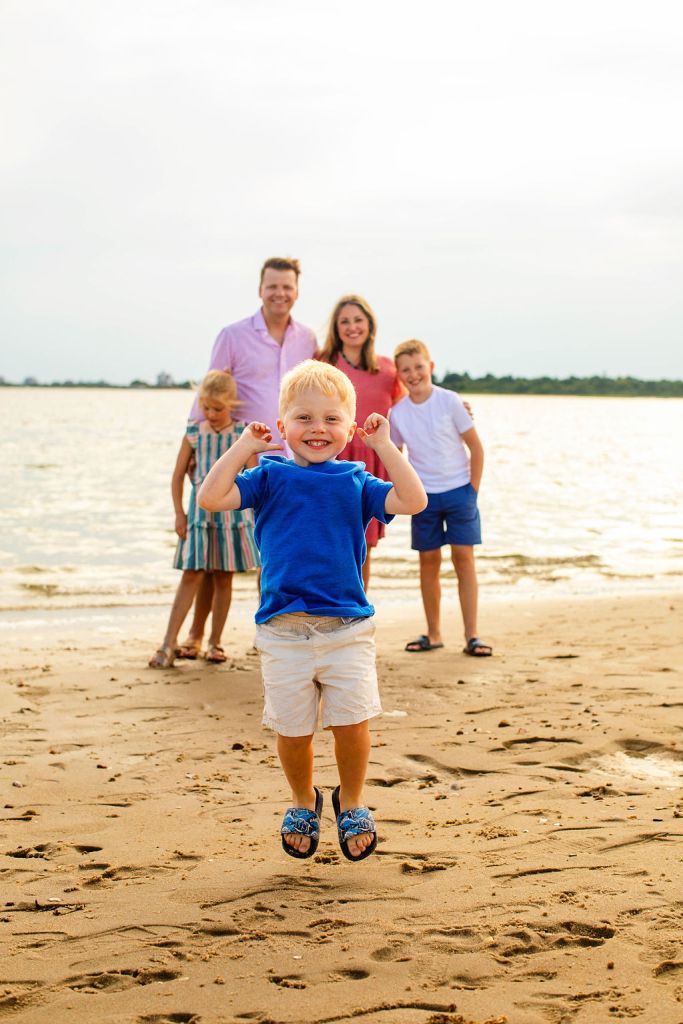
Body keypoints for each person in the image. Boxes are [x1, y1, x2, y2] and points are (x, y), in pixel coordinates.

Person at [198, 360, 426, 861]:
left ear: (349, 429)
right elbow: (210, 497)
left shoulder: (357, 480)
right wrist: (242, 448)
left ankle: (353, 801)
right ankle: (304, 799)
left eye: (330, 419)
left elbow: (414, 500)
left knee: (352, 725)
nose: (317, 429)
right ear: (282, 428)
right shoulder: (268, 477)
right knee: (293, 731)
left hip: (347, 627)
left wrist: (385, 445)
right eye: (303, 418)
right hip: (283, 631)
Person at [178, 257, 318, 658]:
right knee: (215, 550)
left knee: (277, 548)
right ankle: (195, 636)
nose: (280, 293)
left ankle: (272, 631)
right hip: (243, 459)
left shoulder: (307, 340)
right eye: (272, 286)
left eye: (287, 287)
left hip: (295, 461)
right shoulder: (233, 335)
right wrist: (191, 447)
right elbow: (208, 391)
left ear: (297, 291)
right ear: (260, 289)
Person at [148, 371, 259, 668]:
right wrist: (179, 514)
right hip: (198, 516)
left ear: (232, 405)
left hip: (233, 520)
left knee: (224, 578)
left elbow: (255, 479)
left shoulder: (243, 435)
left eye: (217, 409)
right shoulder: (194, 433)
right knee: (191, 574)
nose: (210, 414)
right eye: (206, 407)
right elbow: (177, 478)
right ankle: (168, 643)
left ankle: (215, 643)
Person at [389, 340, 492, 657]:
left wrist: (471, 491)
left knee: (464, 559)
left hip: (460, 491)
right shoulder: (398, 413)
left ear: (430, 367)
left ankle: (472, 635)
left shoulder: (450, 401)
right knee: (428, 562)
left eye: (419, 367)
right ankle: (433, 634)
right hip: (424, 498)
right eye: (406, 370)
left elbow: (476, 447)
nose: (414, 374)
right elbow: (396, 457)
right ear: (399, 375)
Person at [318, 295, 404, 590]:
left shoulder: (388, 370)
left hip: (372, 465)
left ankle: (357, 610)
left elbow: (410, 412)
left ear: (369, 325)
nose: (352, 327)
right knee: (326, 538)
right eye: (344, 321)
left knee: (363, 544)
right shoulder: (322, 363)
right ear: (335, 327)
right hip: (331, 460)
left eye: (358, 320)